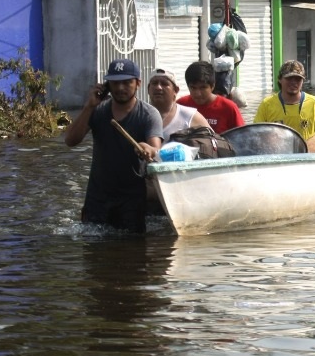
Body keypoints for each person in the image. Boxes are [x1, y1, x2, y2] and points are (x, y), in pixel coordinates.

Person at [63, 58, 163, 233]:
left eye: (127, 82)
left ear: (138, 83)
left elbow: (155, 150)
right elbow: (70, 140)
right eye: (115, 83)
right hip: (98, 197)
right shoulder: (97, 111)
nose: (120, 88)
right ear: (107, 85)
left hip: (131, 200)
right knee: (94, 252)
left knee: (130, 253)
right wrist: (89, 106)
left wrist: (148, 149)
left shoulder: (148, 114)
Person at [254, 60, 315, 140]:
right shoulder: (267, 105)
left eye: (298, 79)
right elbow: (256, 135)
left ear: (303, 81)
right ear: (280, 79)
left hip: (308, 151)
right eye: (289, 78)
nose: (293, 83)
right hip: (278, 152)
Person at [178, 60, 245, 133]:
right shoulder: (180, 106)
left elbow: (242, 136)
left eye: (203, 88)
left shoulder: (229, 108)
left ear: (212, 86)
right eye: (193, 88)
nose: (198, 93)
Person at [147, 67, 210, 140]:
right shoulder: (139, 115)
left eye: (164, 84)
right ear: (148, 89)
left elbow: (214, 145)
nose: (158, 87)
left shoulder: (190, 116)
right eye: (154, 83)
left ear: (176, 90)